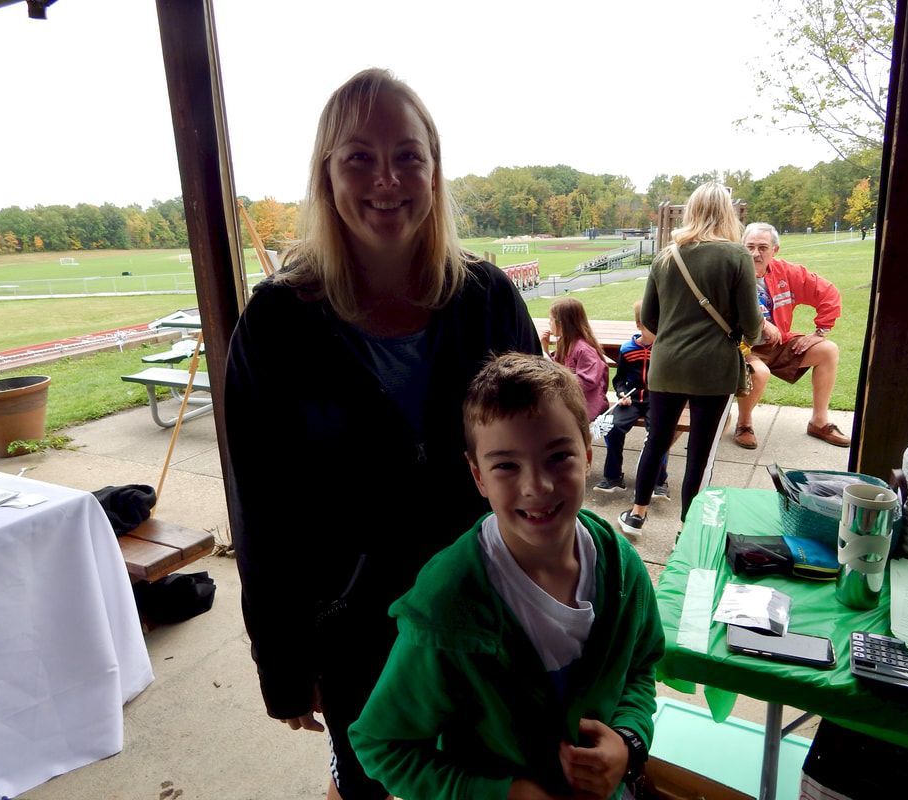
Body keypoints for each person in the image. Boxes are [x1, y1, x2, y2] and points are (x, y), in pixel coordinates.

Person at [224, 68, 540, 800]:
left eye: (407, 155)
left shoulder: (487, 299)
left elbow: (541, 463)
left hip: (482, 616)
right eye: (358, 157)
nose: (386, 178)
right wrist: (281, 658)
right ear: (327, 175)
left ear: (434, 170)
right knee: (370, 781)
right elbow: (261, 507)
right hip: (353, 632)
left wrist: (560, 597)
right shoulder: (276, 324)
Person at [349, 353, 664, 800]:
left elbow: (640, 665)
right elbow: (382, 746)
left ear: (588, 455)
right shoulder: (446, 609)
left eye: (558, 456)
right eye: (506, 466)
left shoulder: (621, 568)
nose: (537, 486)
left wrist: (628, 741)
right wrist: (504, 794)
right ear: (478, 476)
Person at [618, 183, 762, 535]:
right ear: (727, 212)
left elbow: (649, 318)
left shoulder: (667, 255)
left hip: (667, 365)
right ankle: (689, 524)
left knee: (657, 438)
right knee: (701, 448)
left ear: (691, 211)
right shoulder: (737, 255)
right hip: (714, 368)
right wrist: (747, 338)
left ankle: (637, 512)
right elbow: (751, 321)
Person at [733, 222, 850, 450]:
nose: (756, 253)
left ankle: (819, 422)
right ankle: (744, 424)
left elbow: (828, 293)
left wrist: (820, 332)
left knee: (828, 350)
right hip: (743, 347)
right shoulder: (733, 274)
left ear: (774, 250)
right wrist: (762, 322)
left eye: (763, 247)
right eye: (750, 247)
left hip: (778, 343)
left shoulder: (787, 273)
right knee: (760, 373)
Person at [594, 301, 669, 501]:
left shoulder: (664, 349)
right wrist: (621, 393)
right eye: (651, 326)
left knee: (659, 433)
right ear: (638, 325)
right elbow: (619, 380)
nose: (657, 330)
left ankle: (659, 482)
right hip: (632, 400)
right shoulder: (627, 349)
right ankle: (613, 477)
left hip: (657, 399)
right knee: (614, 427)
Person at [540, 297, 609, 421]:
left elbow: (587, 382)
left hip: (586, 406)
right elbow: (554, 369)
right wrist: (545, 350)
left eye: (550, 319)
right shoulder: (565, 343)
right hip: (572, 403)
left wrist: (561, 376)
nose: (548, 323)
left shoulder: (584, 349)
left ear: (561, 323)